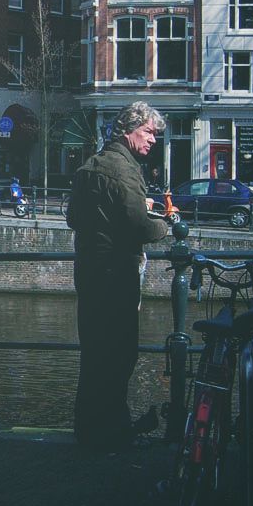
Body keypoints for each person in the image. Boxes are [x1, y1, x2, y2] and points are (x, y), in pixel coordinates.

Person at [66, 101, 170, 452]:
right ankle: (112, 432)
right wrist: (165, 226)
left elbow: (73, 218)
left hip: (88, 272)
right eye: (149, 132)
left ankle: (87, 431)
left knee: (93, 354)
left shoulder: (88, 167)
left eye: (155, 134)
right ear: (129, 131)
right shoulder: (126, 171)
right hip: (115, 275)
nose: (153, 140)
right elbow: (138, 227)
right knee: (121, 354)